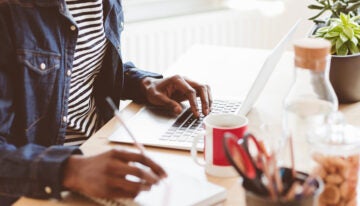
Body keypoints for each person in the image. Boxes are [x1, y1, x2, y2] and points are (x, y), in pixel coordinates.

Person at [0, 0, 212, 205]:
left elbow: (83, 71)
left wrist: (143, 84)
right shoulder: (9, 10)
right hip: (43, 185)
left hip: (100, 154)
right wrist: (71, 170)